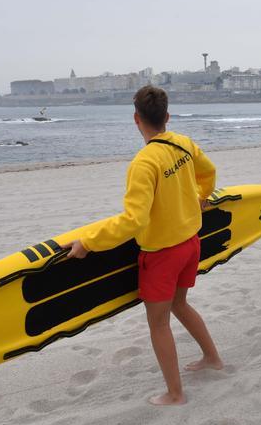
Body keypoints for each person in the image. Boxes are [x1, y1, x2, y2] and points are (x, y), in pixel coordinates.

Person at [63, 86, 223, 405]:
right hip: (190, 244)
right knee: (180, 304)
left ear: (136, 119)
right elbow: (209, 172)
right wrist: (201, 198)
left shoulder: (144, 163)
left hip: (162, 254)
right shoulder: (183, 144)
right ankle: (213, 359)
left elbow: (133, 221)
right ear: (167, 116)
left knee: (159, 323)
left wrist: (88, 243)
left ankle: (175, 394)